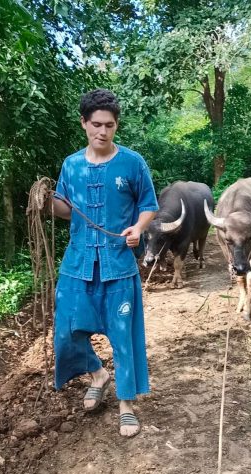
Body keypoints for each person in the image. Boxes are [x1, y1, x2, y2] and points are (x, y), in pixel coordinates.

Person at [52, 89, 158, 437]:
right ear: (84, 123)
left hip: (117, 264)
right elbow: (64, 209)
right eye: (95, 124)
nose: (102, 131)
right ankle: (98, 373)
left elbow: (148, 204)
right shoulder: (71, 164)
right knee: (68, 329)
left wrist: (139, 228)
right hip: (78, 263)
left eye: (109, 125)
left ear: (116, 126)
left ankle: (126, 403)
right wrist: (45, 202)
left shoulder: (132, 162)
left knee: (123, 336)